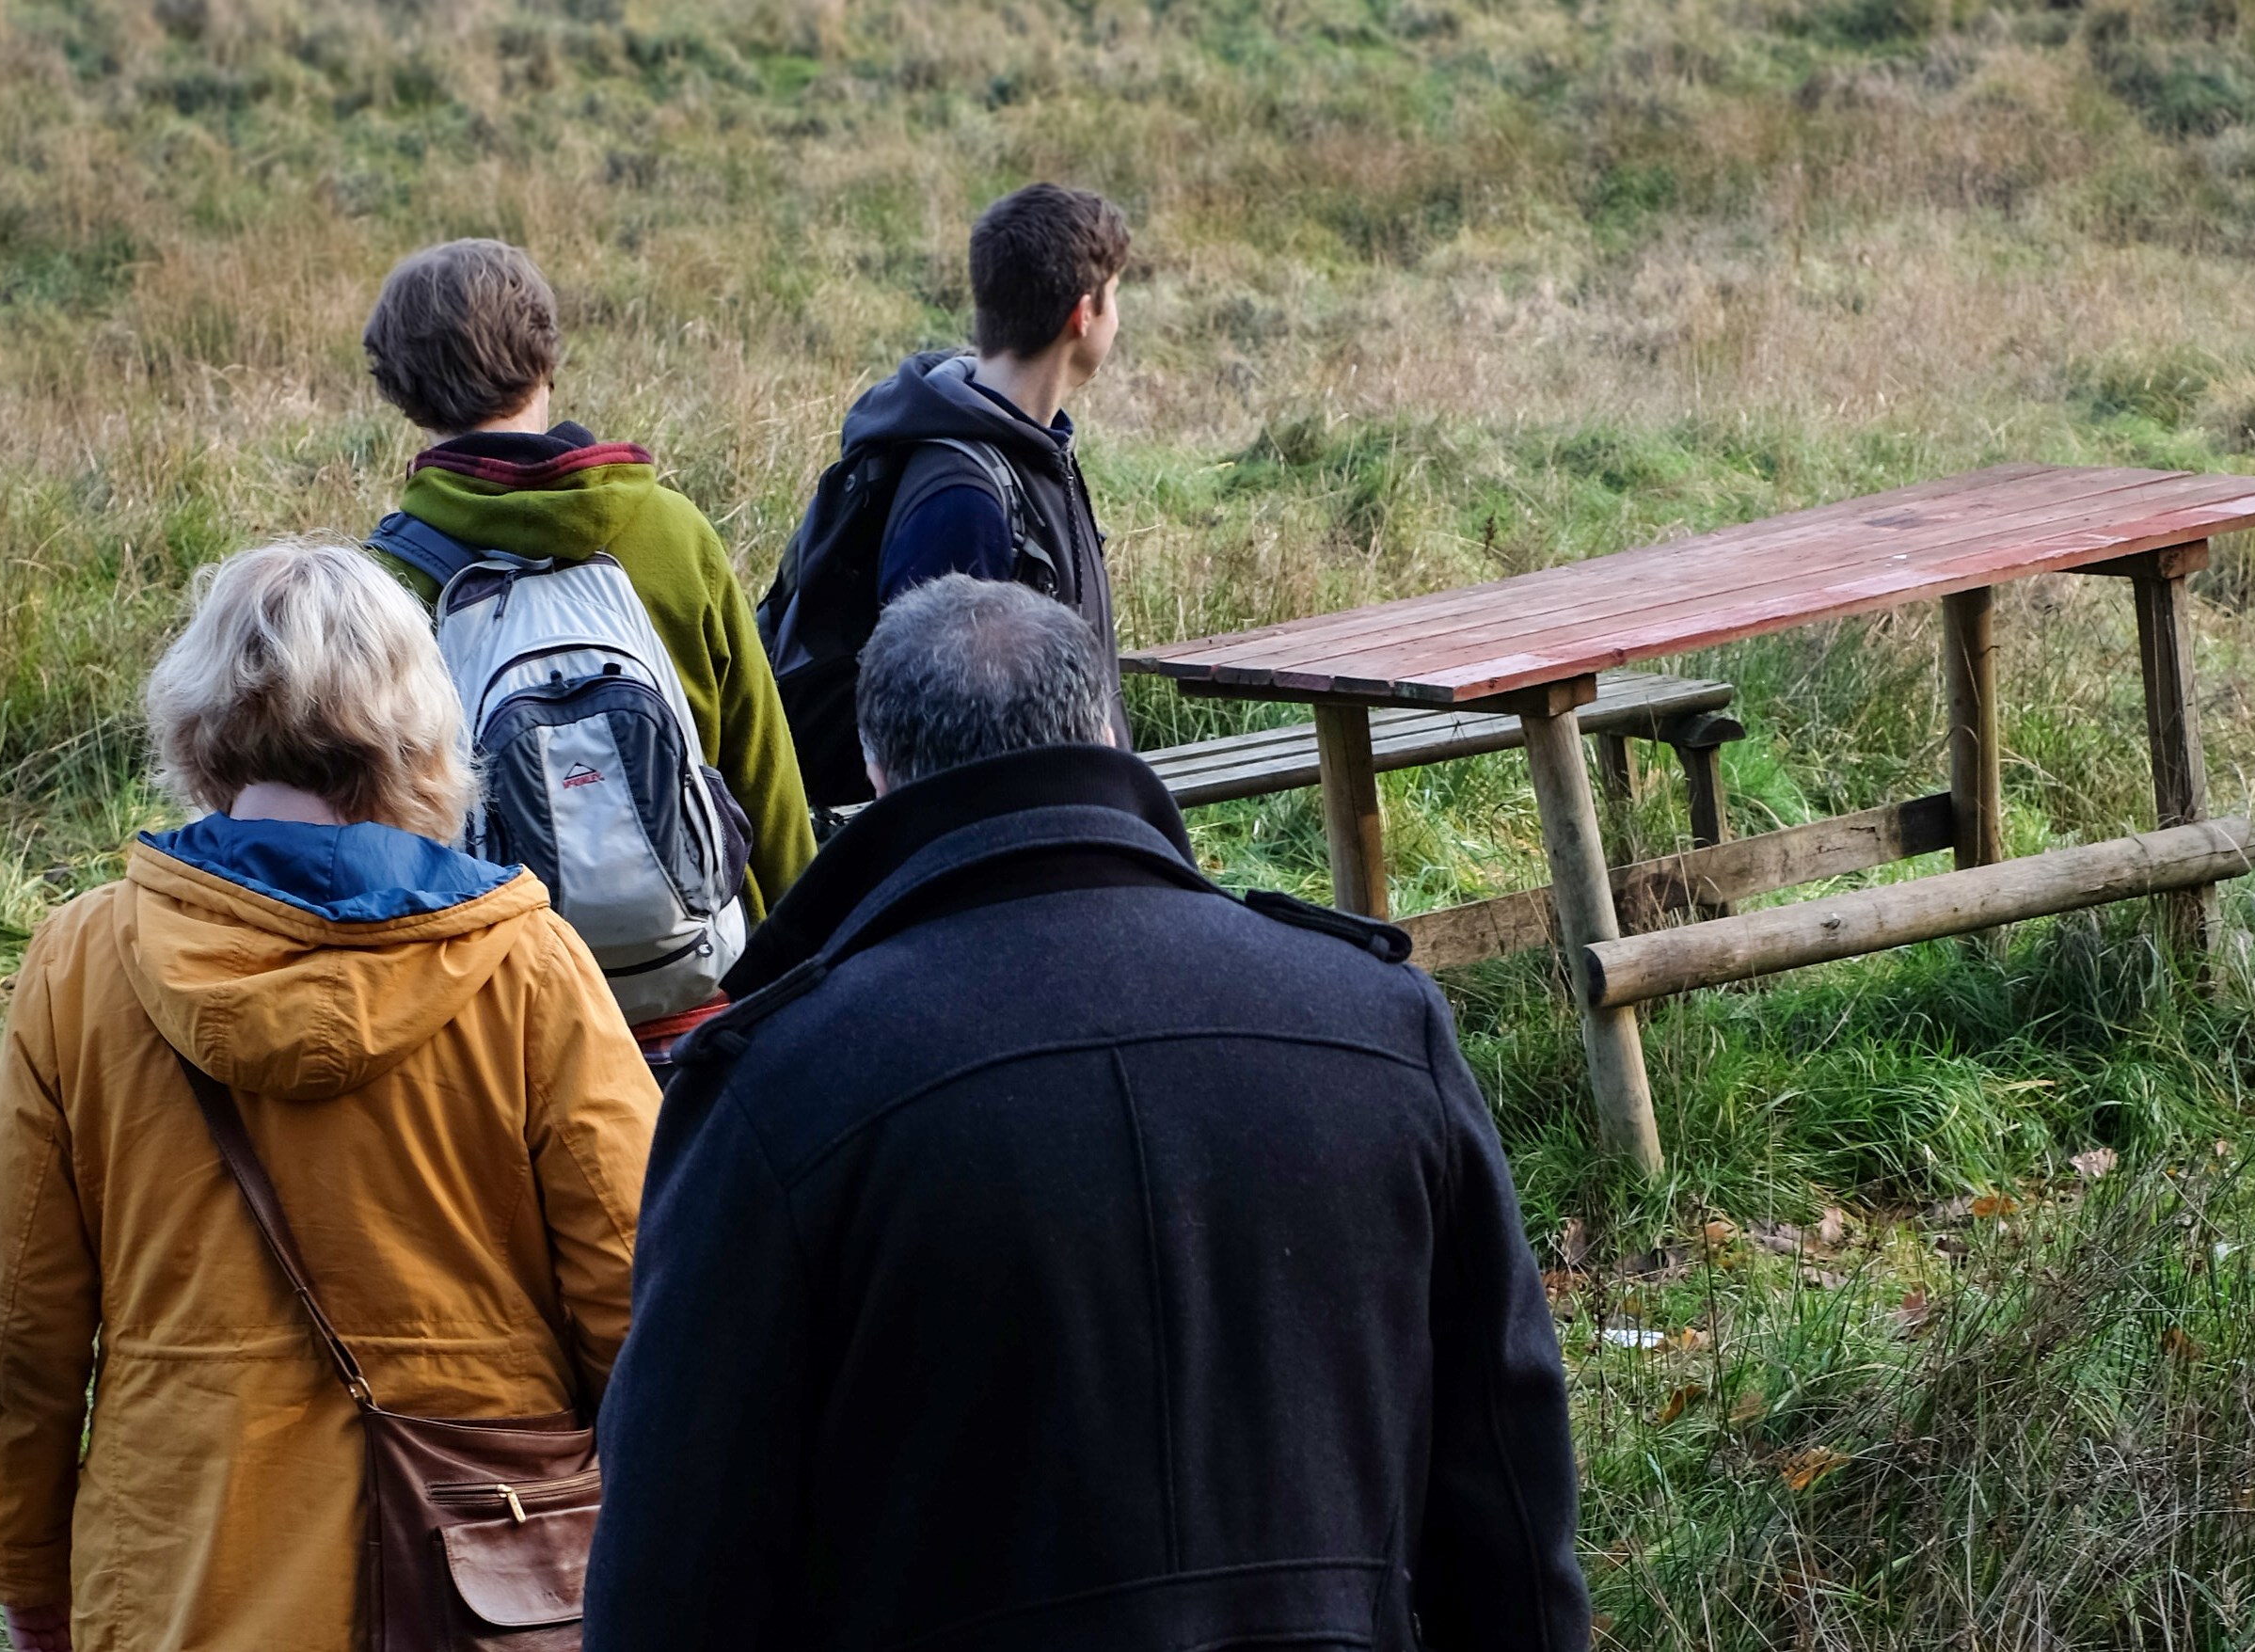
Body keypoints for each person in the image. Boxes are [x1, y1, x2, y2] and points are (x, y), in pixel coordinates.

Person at [587, 577, 1591, 1650]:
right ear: (1108, 729)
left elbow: (672, 1573)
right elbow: (1510, 1499)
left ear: (878, 774)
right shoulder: (1378, 1024)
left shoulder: (775, 1091)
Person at [0, 541, 659, 1651]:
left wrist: (32, 1577)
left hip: (180, 1575)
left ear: (199, 721)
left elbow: (7, 1325)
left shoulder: (83, 962)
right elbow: (645, 1293)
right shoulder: (528, 966)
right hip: (489, 1584)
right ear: (421, 731)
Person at [362, 237, 814, 1056]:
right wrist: (813, 955)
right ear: (547, 360)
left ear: (403, 393)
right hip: (706, 993)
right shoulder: (672, 531)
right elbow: (764, 770)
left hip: (507, 1021)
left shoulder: (384, 583)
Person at [755, 183, 1134, 807]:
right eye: (1116, 294)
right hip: (1007, 849)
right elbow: (934, 746)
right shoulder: (962, 498)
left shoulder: (1031, 446)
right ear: (1084, 313)